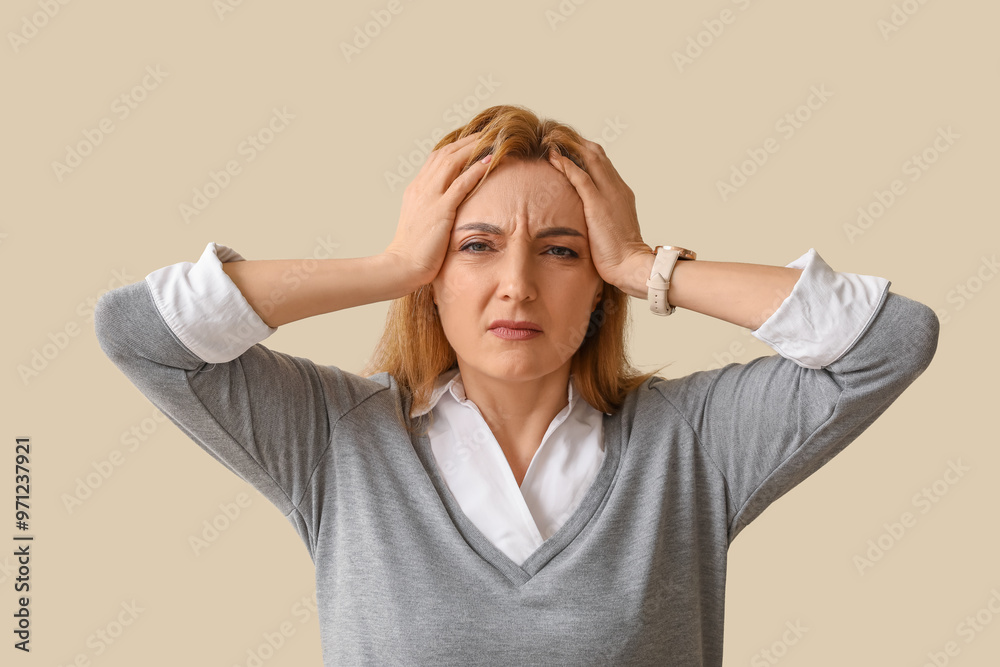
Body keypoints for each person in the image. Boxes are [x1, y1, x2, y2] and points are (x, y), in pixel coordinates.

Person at [94, 104, 939, 666]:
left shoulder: (691, 442)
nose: (517, 285)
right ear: (434, 276)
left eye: (561, 250)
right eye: (476, 246)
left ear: (599, 286)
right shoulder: (336, 438)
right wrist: (391, 264)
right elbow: (141, 332)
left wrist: (646, 262)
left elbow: (891, 341)